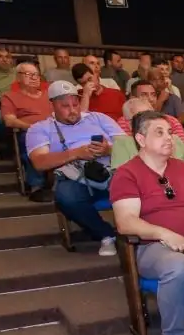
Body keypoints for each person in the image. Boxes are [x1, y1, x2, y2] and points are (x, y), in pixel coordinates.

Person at [110, 111, 184, 335]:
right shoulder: (127, 174)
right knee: (177, 266)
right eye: (159, 132)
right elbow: (125, 222)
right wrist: (165, 234)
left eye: (170, 132)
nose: (169, 138)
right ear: (140, 138)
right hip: (152, 247)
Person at [26, 80, 124, 256]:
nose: (72, 110)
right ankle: (106, 234)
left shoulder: (98, 118)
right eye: (65, 106)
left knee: (144, 182)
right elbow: (39, 162)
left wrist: (108, 149)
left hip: (111, 170)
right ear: (52, 105)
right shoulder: (39, 128)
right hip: (76, 176)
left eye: (75, 104)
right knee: (66, 197)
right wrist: (76, 153)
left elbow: (127, 146)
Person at [1, 62, 53, 202]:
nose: (34, 78)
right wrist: (32, 128)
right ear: (18, 78)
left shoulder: (49, 96)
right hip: (30, 132)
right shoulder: (9, 96)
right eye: (29, 74)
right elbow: (10, 121)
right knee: (32, 143)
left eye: (36, 74)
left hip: (54, 130)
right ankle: (37, 187)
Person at [112, 98, 184, 168]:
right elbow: (122, 179)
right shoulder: (122, 142)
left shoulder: (174, 138)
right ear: (129, 124)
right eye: (143, 118)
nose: (151, 121)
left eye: (152, 115)